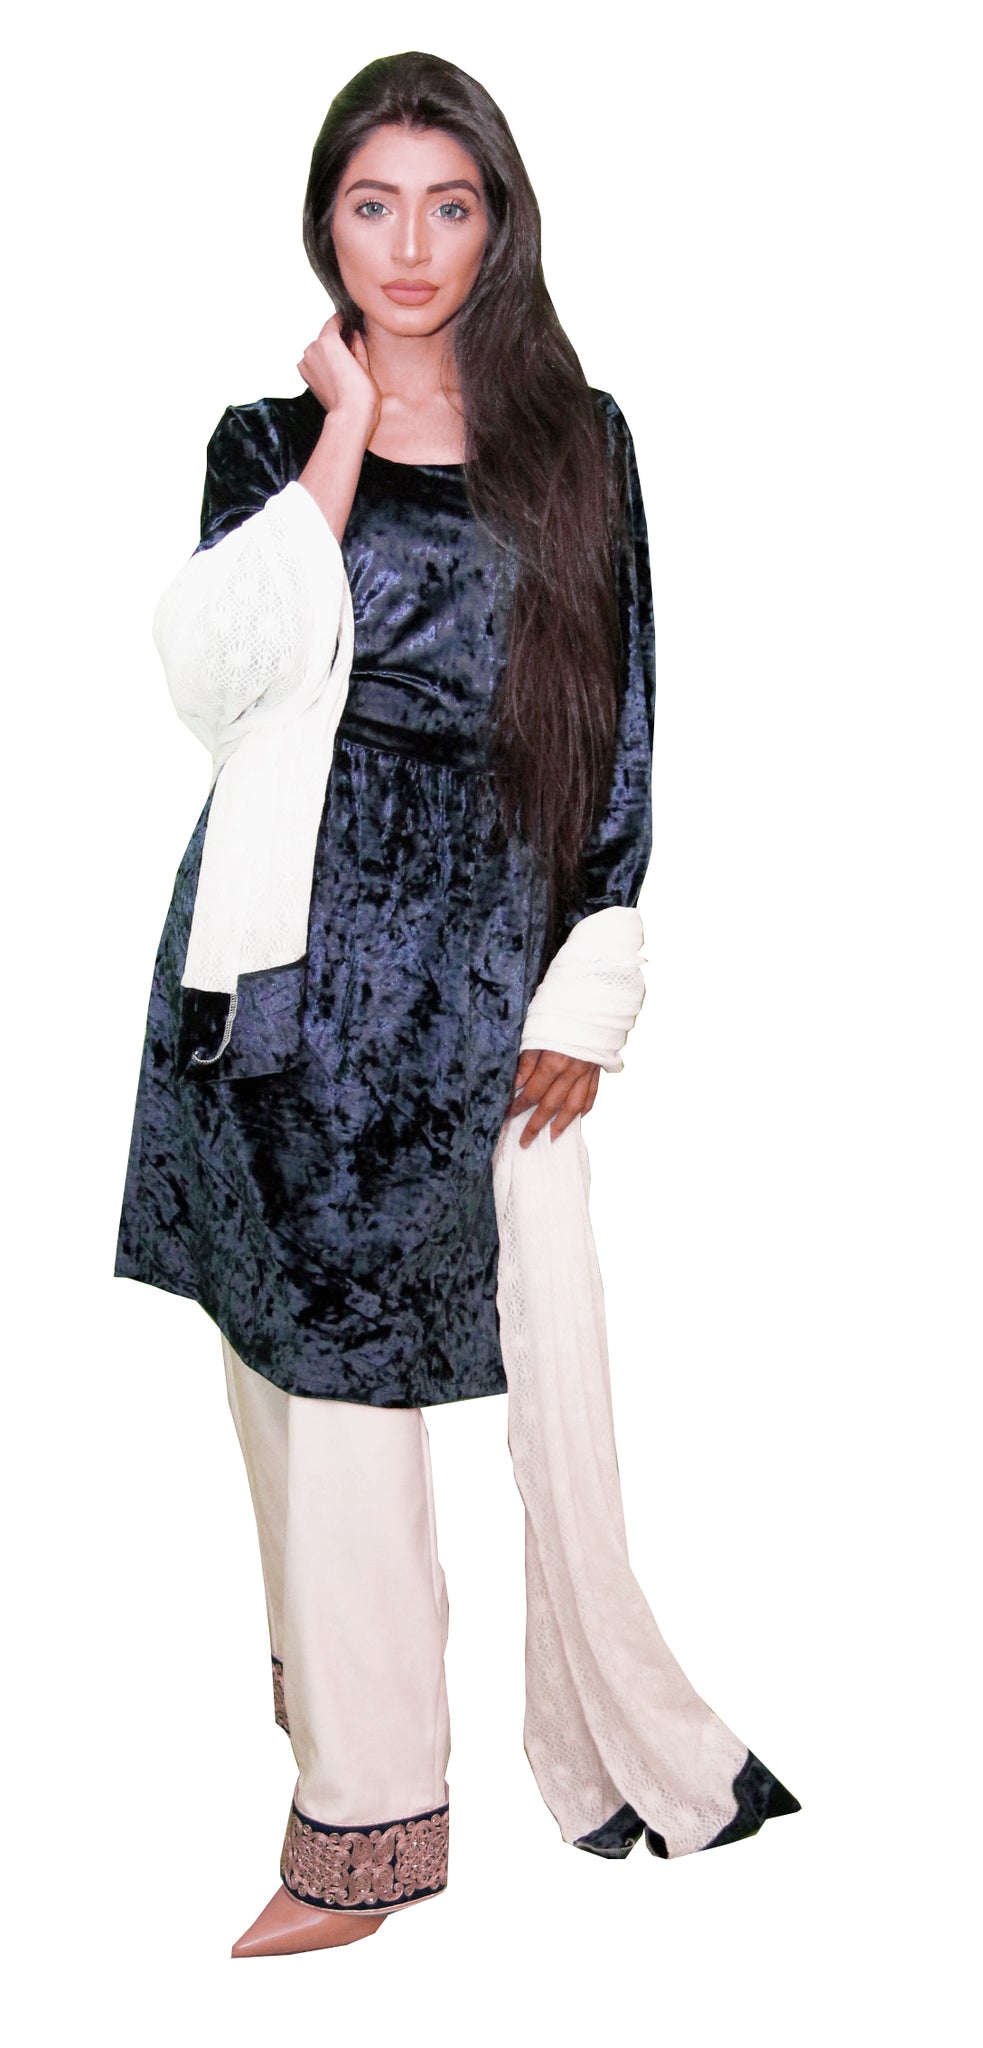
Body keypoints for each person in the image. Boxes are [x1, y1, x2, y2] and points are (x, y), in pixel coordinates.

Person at [115, 50, 800, 1958]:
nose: (409, 245)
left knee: (392, 1363)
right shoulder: (265, 440)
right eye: (372, 205)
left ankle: (390, 1787)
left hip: (483, 964)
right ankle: (361, 1806)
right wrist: (341, 430)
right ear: (325, 224)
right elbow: (216, 678)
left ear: (499, 222)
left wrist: (595, 968)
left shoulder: (581, 440)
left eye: (448, 203)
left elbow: (619, 726)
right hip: (284, 968)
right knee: (303, 1384)